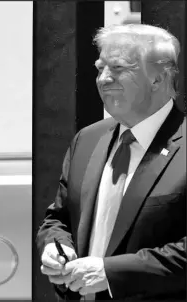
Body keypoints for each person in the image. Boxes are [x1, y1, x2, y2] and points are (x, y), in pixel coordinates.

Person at [36, 23, 186, 300]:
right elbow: (58, 218)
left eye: (118, 68)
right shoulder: (88, 139)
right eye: (100, 68)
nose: (103, 79)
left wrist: (111, 274)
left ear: (158, 78)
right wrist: (56, 247)